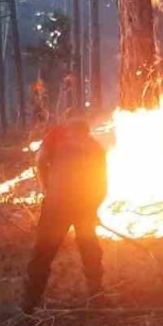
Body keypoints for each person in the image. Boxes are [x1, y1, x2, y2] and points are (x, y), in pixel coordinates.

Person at [22, 118, 108, 313]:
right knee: (90, 250)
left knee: (43, 251)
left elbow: (41, 160)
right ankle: (96, 294)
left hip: (57, 204)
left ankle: (30, 301)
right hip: (82, 204)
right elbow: (102, 184)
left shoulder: (56, 137)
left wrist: (46, 187)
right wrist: (93, 208)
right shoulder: (95, 147)